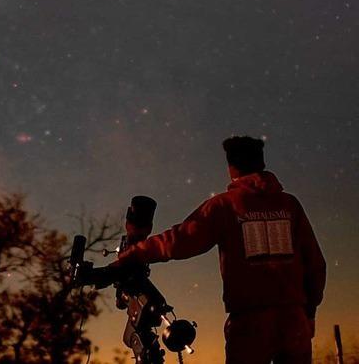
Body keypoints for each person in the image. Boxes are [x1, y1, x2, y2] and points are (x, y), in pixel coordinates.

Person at [116, 136, 326, 364]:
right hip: (294, 321)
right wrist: (309, 313)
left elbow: (181, 239)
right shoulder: (290, 205)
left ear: (231, 168)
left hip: (249, 322)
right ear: (262, 163)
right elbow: (315, 264)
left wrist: (133, 253)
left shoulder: (225, 206)